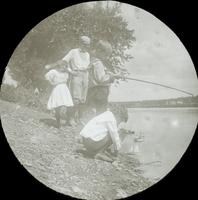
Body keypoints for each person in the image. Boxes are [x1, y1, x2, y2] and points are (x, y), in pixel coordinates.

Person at [45, 35, 91, 126]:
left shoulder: (87, 54)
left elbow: (87, 66)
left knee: (82, 99)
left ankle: (78, 118)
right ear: (81, 43)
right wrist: (53, 66)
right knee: (75, 99)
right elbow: (64, 61)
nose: (87, 47)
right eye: (85, 44)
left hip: (85, 75)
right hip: (76, 74)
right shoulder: (73, 52)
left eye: (89, 45)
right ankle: (70, 118)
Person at [86, 40, 121, 115]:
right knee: (101, 111)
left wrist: (112, 74)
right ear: (99, 51)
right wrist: (112, 78)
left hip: (93, 90)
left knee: (94, 110)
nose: (107, 57)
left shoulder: (93, 61)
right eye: (106, 55)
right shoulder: (98, 63)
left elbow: (100, 74)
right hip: (99, 91)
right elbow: (101, 79)